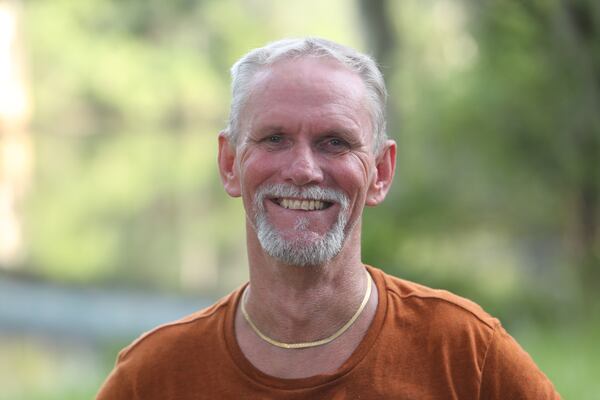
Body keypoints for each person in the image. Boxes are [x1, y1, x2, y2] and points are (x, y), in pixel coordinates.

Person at [97, 38, 560, 399]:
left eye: (335, 142)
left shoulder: (464, 356)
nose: (302, 169)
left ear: (380, 172)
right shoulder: (153, 377)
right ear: (229, 163)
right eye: (274, 138)